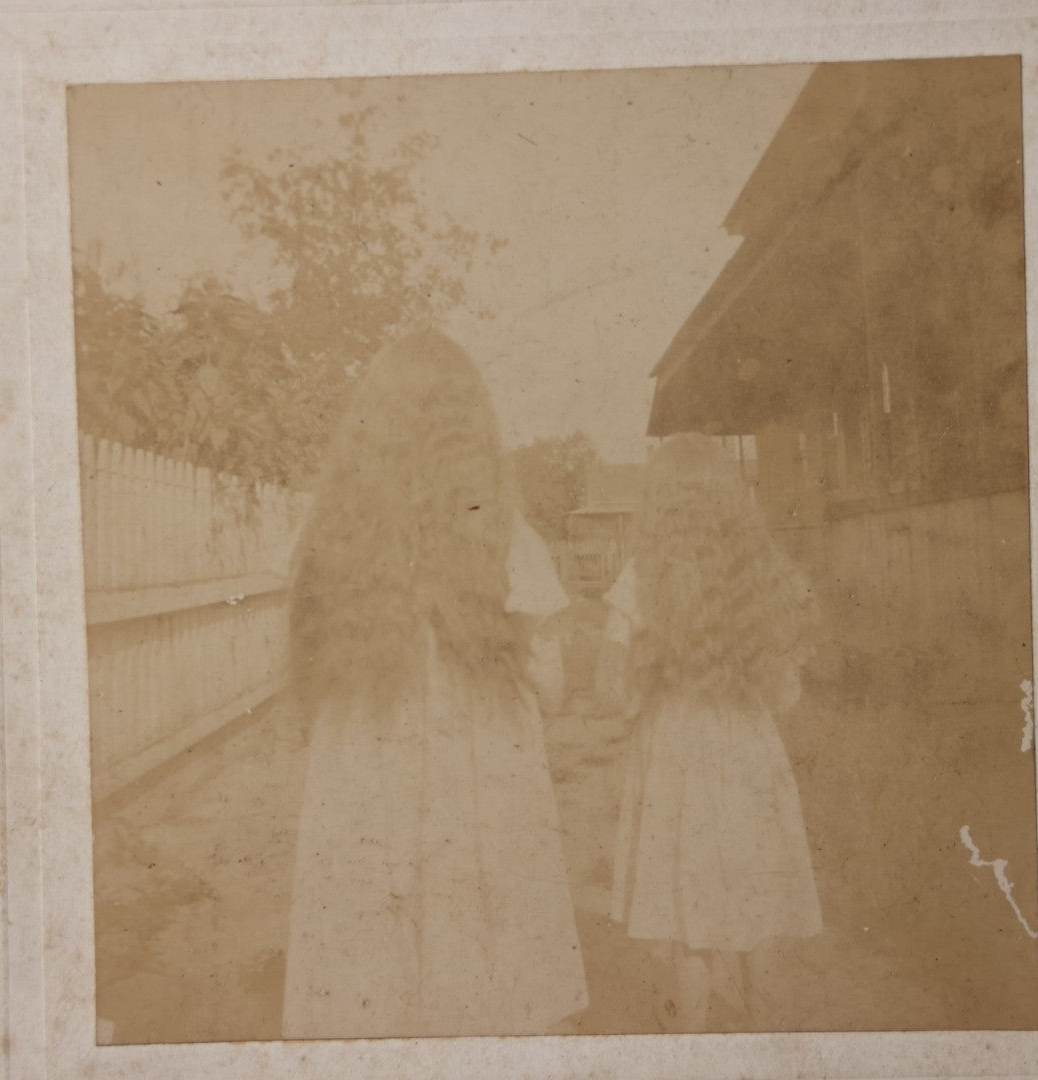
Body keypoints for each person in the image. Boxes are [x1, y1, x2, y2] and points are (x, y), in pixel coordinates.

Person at [281, 329, 586, 1038]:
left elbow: (307, 686)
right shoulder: (507, 537)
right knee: (485, 962)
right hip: (482, 787)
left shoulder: (326, 539)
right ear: (469, 429)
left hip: (361, 781)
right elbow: (551, 687)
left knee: (370, 976)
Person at [597, 433, 822, 1031]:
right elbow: (789, 691)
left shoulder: (641, 577)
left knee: (687, 912)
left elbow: (611, 689)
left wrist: (645, 698)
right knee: (757, 907)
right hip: (747, 746)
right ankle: (767, 1043)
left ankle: (690, 1045)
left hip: (674, 748)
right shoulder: (766, 573)